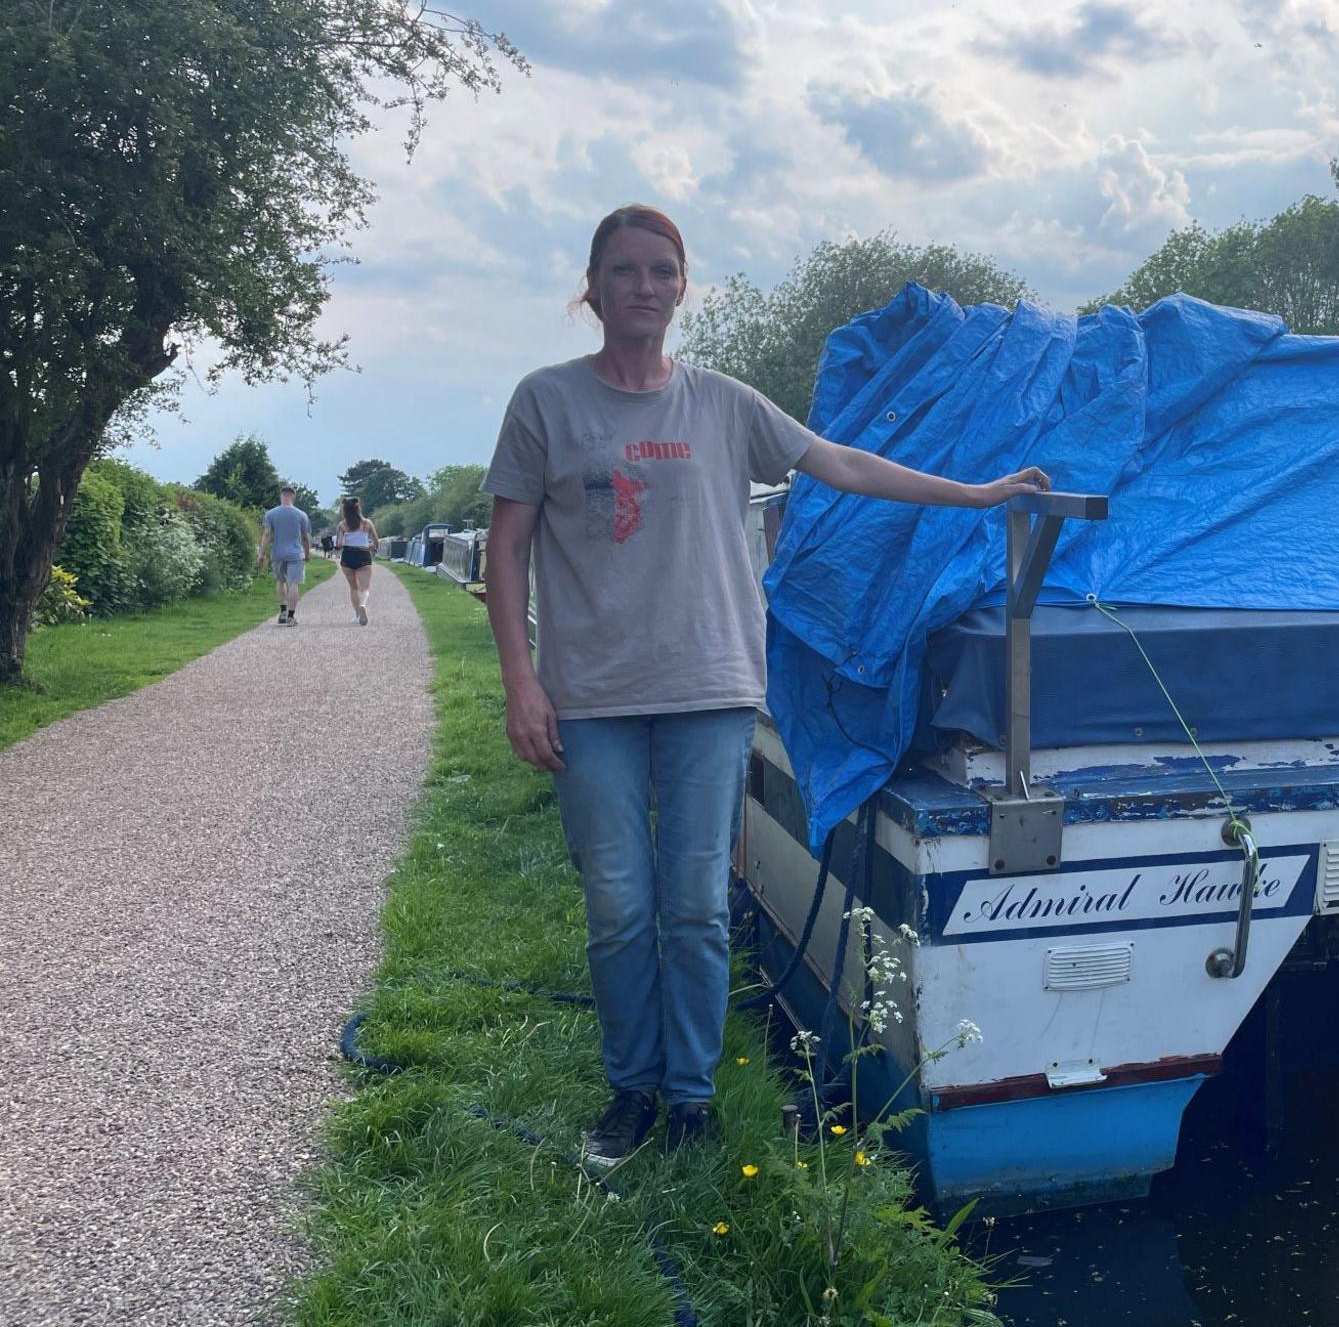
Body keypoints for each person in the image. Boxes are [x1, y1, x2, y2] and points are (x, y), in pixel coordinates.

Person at [482, 204, 1048, 1169]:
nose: (646, 288)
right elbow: (506, 548)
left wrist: (980, 494)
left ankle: (693, 1099)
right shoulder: (546, 402)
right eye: (625, 272)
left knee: (697, 903)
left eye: (663, 271)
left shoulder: (725, 404)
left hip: (710, 686)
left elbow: (842, 463)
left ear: (682, 287)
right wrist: (520, 680)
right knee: (619, 904)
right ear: (592, 288)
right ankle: (632, 1090)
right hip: (591, 694)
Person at [258, 487, 313, 627]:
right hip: (295, 554)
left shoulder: (270, 514)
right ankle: (291, 616)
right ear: (293, 497)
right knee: (293, 583)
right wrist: (307, 554)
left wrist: (261, 553)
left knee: (280, 581)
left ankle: (282, 611)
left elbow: (267, 535)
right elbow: (305, 537)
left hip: (278, 553)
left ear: (281, 496)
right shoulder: (301, 515)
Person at [334, 497, 379, 624]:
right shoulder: (367, 523)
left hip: (348, 556)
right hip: (363, 555)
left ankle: (357, 615)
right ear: (358, 509)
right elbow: (376, 541)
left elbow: (338, 544)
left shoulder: (342, 525)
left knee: (353, 587)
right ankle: (363, 605)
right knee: (364, 588)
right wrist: (371, 546)